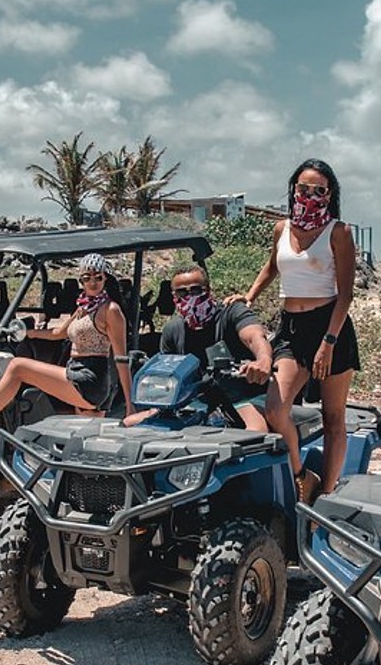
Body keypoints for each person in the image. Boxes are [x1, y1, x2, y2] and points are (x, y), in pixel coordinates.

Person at [229, 158, 360, 498]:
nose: (310, 196)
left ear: (330, 194)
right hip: (291, 327)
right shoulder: (282, 229)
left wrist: (328, 343)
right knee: (275, 408)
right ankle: (302, 476)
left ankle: (326, 494)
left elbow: (346, 294)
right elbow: (272, 266)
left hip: (330, 325)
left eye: (319, 190)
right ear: (294, 189)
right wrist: (250, 296)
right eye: (304, 188)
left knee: (333, 417)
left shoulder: (339, 232)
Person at [0, 253, 133, 445]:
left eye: (98, 277)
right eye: (87, 278)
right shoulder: (84, 306)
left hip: (90, 378)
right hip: (76, 371)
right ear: (81, 280)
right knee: (84, 445)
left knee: (18, 367)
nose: (92, 283)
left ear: (106, 278)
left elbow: (121, 358)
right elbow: (58, 333)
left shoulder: (110, 310)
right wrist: (27, 333)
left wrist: (129, 405)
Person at [123, 264, 274, 432]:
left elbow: (254, 337)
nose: (189, 297)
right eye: (182, 293)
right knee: (130, 424)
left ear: (208, 290)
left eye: (195, 290)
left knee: (255, 432)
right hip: (196, 400)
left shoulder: (232, 313)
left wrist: (263, 360)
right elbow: (167, 369)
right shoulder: (173, 329)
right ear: (174, 296)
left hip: (242, 396)